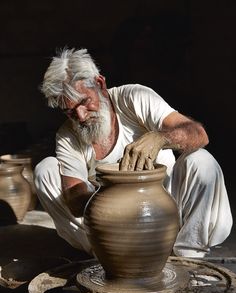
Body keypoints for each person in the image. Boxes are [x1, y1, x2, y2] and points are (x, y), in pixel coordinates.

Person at [34, 47, 233, 258]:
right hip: (112, 224)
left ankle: (189, 257)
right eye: (69, 111)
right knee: (45, 169)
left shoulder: (133, 98)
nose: (81, 116)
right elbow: (75, 202)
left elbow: (199, 134)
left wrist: (161, 138)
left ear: (100, 84)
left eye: (84, 102)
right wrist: (117, 198)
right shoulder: (67, 135)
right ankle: (104, 255)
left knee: (202, 161)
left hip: (164, 211)